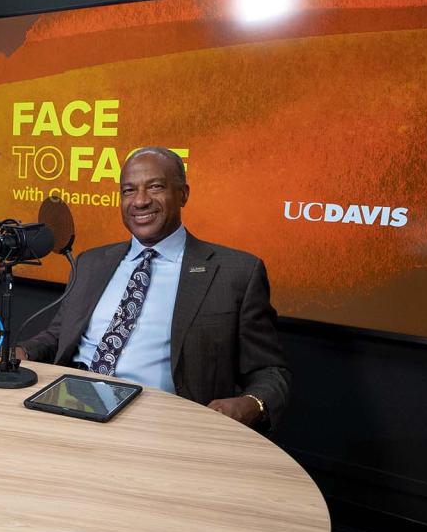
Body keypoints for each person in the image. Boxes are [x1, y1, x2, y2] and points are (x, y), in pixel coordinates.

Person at [18, 147, 291, 429]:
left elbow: (270, 371)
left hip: (160, 424)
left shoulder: (237, 273)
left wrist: (252, 404)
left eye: (155, 187)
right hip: (67, 405)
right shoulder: (91, 262)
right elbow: (58, 335)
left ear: (183, 194)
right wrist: (23, 351)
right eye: (129, 190)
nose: (140, 201)